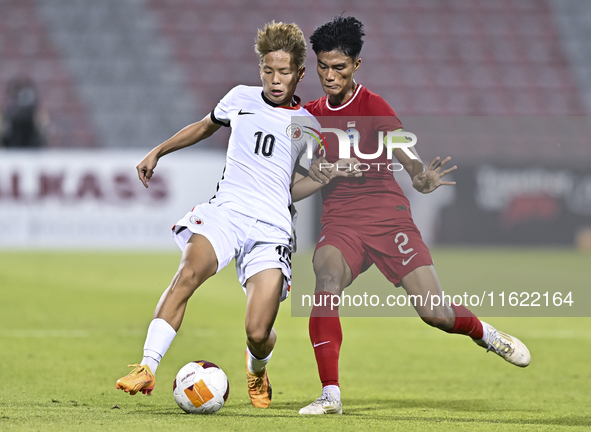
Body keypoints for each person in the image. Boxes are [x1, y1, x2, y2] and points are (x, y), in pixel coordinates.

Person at [115, 21, 357, 409]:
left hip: (273, 228)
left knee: (258, 331)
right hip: (226, 213)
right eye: (268, 70)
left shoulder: (309, 128)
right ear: (260, 68)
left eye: (284, 72)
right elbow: (203, 127)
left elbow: (291, 189)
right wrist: (158, 151)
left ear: (300, 73)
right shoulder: (239, 98)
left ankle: (257, 368)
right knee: (187, 273)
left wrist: (321, 179)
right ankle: (147, 365)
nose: (275, 80)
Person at [298, 16, 531, 415]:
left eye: (339, 67)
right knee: (326, 280)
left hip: (389, 219)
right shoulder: (309, 116)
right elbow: (301, 177)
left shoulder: (376, 108)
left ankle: (486, 334)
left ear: (356, 66)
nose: (330, 75)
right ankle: (330, 394)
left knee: (435, 314)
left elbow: (407, 156)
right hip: (342, 223)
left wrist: (421, 177)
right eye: (323, 65)